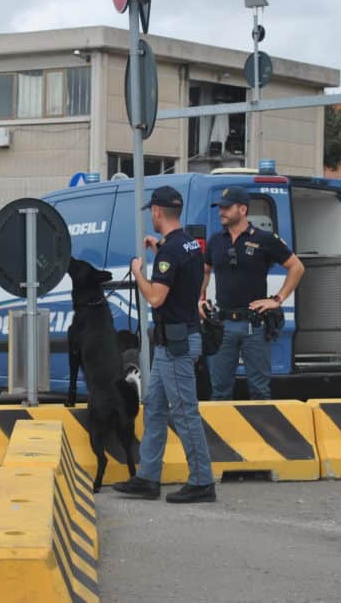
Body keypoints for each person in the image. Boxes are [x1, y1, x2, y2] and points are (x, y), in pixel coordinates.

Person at [113, 186, 216, 504]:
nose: (152, 217)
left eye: (152, 213)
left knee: (185, 413)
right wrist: (158, 249)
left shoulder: (171, 251)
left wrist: (138, 274)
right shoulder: (188, 245)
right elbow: (183, 276)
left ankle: (202, 482)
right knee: (155, 408)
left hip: (175, 346)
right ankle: (147, 477)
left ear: (157, 212)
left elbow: (157, 296)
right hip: (175, 340)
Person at [200, 186, 305, 400]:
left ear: (242, 209)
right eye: (220, 208)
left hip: (254, 325)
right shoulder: (216, 241)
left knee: (260, 390)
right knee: (219, 391)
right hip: (223, 325)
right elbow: (205, 271)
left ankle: (262, 433)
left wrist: (277, 299)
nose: (221, 212)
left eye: (227, 208)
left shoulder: (264, 239)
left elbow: (297, 267)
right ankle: (221, 434)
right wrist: (199, 299)